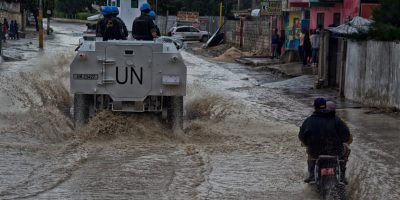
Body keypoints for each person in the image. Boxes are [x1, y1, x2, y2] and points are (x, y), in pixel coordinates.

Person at [299, 98, 352, 184]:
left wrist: (308, 144)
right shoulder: (337, 120)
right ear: (325, 106)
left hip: (315, 153)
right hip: (335, 152)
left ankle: (312, 175)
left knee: (309, 153)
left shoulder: (308, 121)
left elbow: (302, 137)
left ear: (315, 107)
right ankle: (342, 175)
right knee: (347, 149)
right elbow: (346, 136)